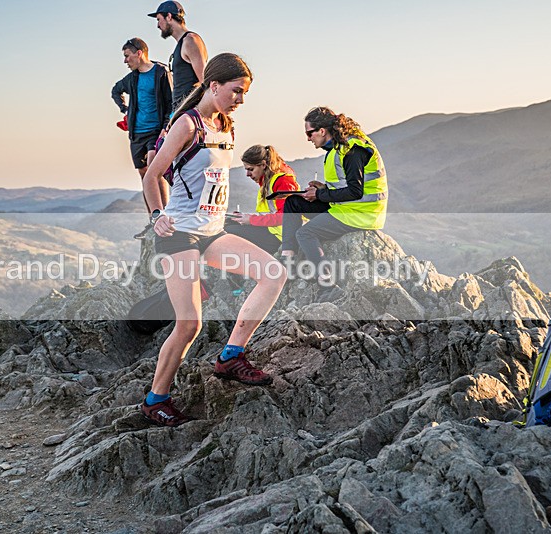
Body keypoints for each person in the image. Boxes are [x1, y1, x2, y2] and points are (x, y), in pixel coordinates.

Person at [140, 53, 287, 427]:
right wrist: (158, 216)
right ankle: (156, 399)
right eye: (236, 91)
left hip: (213, 232)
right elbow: (152, 175)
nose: (240, 99)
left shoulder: (226, 126)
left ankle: (231, 356)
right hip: (180, 236)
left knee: (274, 273)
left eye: (245, 93)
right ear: (214, 84)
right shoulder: (187, 125)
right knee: (189, 325)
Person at [281, 106, 388, 282]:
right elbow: (347, 185)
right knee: (293, 202)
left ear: (322, 131)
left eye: (309, 133)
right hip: (347, 207)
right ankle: (287, 259)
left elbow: (355, 191)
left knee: (305, 233)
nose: (308, 139)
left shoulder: (352, 150)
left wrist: (320, 195)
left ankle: (326, 281)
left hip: (360, 214)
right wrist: (323, 189)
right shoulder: (337, 148)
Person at [111, 37, 173, 212]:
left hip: (156, 131)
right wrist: (125, 109)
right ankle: (153, 217)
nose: (125, 60)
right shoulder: (132, 78)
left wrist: (166, 128)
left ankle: (165, 212)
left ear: (139, 53)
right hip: (137, 133)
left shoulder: (161, 73)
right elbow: (115, 90)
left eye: (127, 56)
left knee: (155, 169)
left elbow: (172, 103)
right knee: (144, 175)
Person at [226, 145, 300, 254]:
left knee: (227, 232)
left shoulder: (282, 182)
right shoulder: (268, 182)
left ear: (263, 165)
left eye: (251, 169)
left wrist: (251, 220)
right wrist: (245, 218)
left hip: (280, 236)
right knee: (227, 223)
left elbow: (285, 217)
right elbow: (270, 212)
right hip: (271, 230)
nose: (247, 174)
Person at [148, 1, 208, 113]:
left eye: (158, 19)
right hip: (179, 111)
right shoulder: (182, 43)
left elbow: (206, 82)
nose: (157, 25)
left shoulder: (191, 40)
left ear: (169, 16)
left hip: (189, 112)